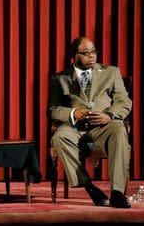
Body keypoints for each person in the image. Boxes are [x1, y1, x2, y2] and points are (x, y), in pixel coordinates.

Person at [47, 36, 132, 208]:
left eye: (93, 52)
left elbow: (124, 101)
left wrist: (110, 115)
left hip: (104, 125)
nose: (91, 56)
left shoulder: (112, 72)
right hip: (76, 127)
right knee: (59, 137)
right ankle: (89, 188)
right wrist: (72, 112)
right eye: (85, 53)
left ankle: (117, 193)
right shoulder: (60, 78)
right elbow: (52, 109)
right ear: (73, 56)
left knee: (118, 129)